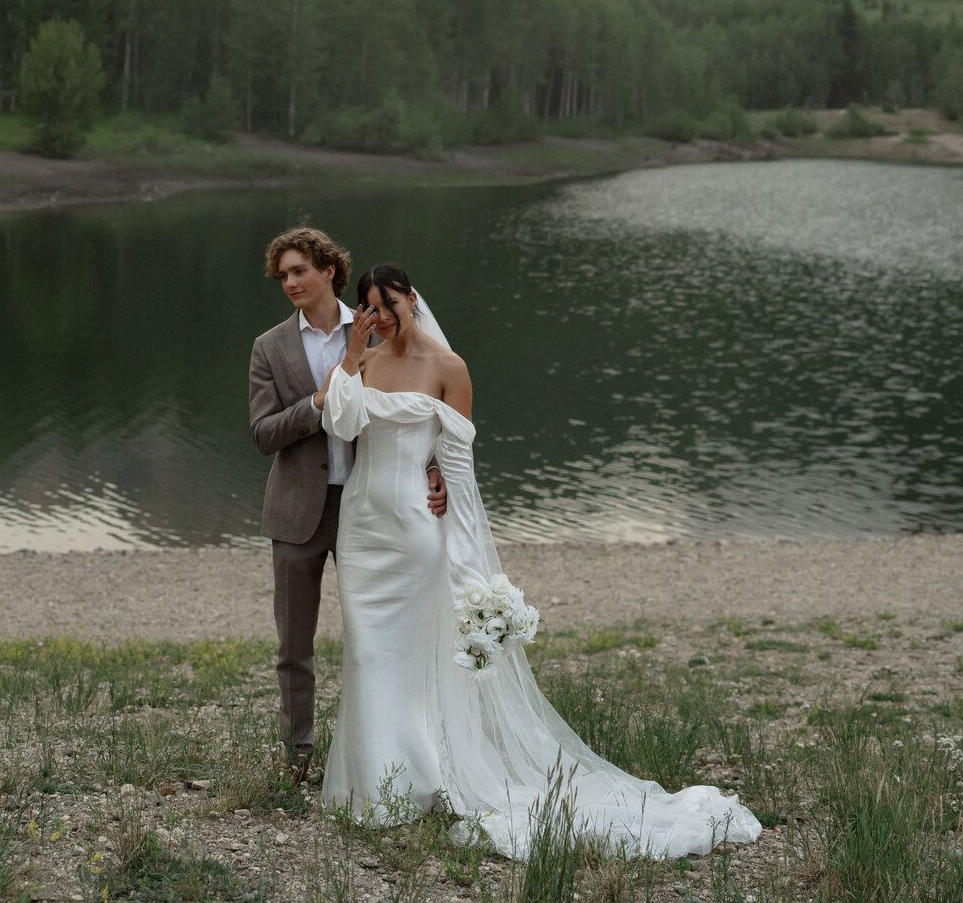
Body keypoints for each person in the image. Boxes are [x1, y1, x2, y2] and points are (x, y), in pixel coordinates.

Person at [316, 263, 762, 861]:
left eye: (390, 303)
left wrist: (467, 550)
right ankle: (370, 790)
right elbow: (338, 421)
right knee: (368, 652)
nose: (383, 317)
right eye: (370, 307)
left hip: (416, 528)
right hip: (364, 529)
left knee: (410, 652)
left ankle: (416, 784)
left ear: (412, 298)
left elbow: (458, 468)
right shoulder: (362, 361)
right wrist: (350, 353)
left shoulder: (450, 369)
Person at [248, 229, 446, 775]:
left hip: (371, 507)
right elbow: (263, 434)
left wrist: (432, 465)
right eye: (282, 275)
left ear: (328, 270)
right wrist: (317, 402)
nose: (289, 283)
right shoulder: (269, 347)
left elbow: (416, 410)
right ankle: (298, 755)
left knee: (377, 638)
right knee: (294, 645)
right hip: (295, 512)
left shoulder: (377, 331)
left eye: (298, 272)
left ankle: (387, 753)